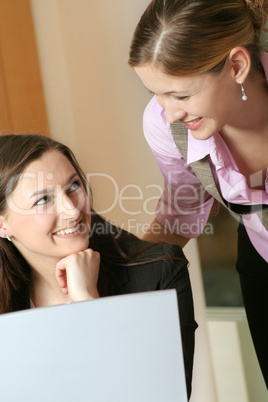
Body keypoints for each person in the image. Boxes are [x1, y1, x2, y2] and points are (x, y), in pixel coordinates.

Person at [128, 0, 268, 387]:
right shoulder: (166, 126)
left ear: (237, 66)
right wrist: (121, 276)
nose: (169, 111)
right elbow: (182, 211)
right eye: (156, 93)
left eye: (181, 95)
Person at [0, 134, 197, 398]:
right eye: (43, 200)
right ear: (3, 225)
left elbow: (162, 396)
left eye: (73, 186)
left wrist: (89, 304)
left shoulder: (159, 271)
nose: (72, 211)